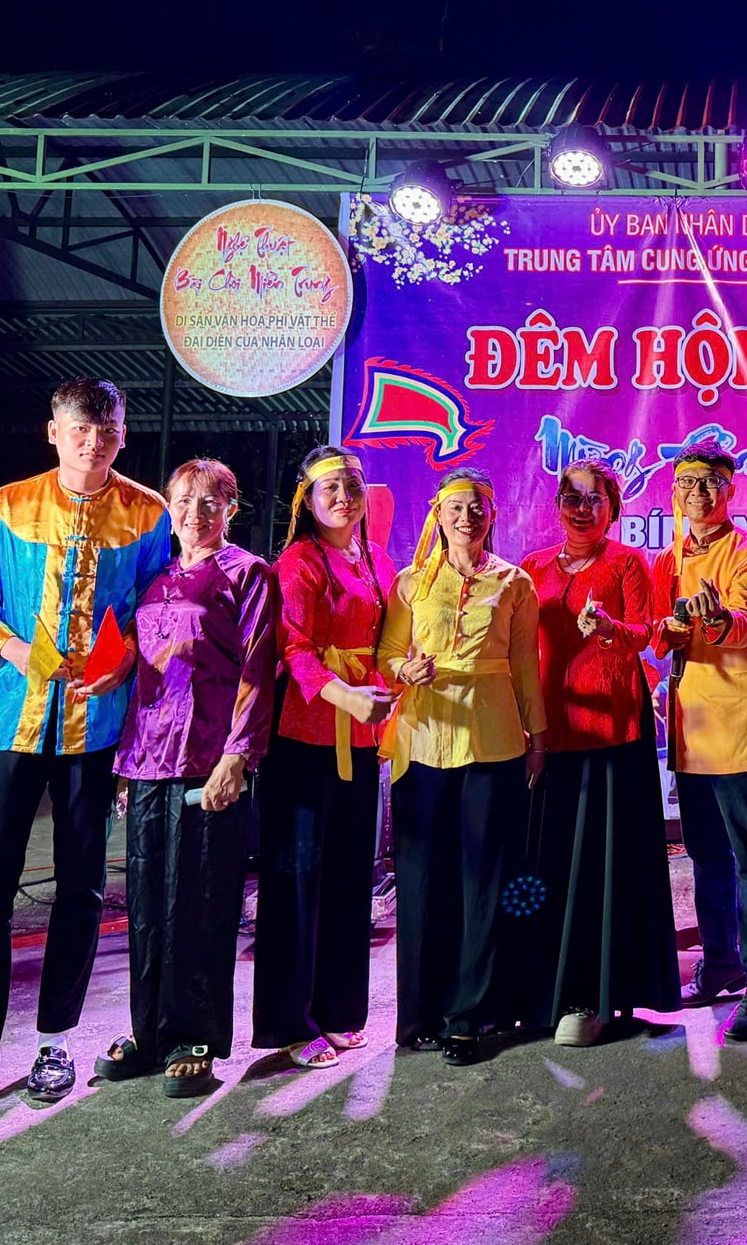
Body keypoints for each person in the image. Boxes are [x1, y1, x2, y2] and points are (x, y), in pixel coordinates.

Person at [0, 379, 171, 1118]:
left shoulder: (149, 513)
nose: (95, 441)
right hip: (14, 722)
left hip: (98, 728)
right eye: (80, 429)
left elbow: (156, 610)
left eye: (108, 429)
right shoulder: (9, 505)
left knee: (83, 887)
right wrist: (16, 650)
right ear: (54, 432)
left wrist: (129, 661)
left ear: (122, 434)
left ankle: (55, 1042)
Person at [96, 459, 276, 1096]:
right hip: (148, 757)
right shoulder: (157, 577)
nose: (195, 513)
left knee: (202, 902)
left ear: (231, 508)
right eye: (183, 501)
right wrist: (124, 762)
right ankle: (148, 1033)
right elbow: (143, 670)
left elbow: (258, 669)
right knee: (147, 904)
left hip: (208, 759)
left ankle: (195, 1035)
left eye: (209, 502)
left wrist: (238, 755)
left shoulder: (248, 574)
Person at [380, 467, 546, 1066]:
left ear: (491, 515)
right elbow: (387, 653)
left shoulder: (515, 583)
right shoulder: (411, 582)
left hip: (495, 742)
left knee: (485, 881)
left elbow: (525, 665)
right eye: (455, 507)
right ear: (438, 515)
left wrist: (538, 736)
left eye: (477, 507)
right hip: (423, 739)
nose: (466, 517)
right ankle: (420, 1013)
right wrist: (403, 671)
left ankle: (469, 1014)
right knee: (422, 880)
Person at [520, 461, 680, 1047]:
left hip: (612, 734)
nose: (582, 508)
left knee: (603, 869)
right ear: (556, 505)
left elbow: (646, 632)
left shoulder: (627, 562)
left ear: (613, 507)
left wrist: (611, 627)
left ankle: (598, 995)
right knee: (549, 867)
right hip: (549, 733)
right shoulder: (533, 567)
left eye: (594, 499)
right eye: (572, 497)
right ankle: (541, 993)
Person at [254, 446, 398, 1070]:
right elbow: (294, 648)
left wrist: (392, 683)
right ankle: (291, 1022)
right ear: (307, 502)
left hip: (360, 740)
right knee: (296, 884)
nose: (343, 497)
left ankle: (339, 1010)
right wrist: (348, 696)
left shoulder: (376, 560)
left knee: (348, 877)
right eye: (329, 488)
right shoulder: (298, 562)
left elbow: (387, 643)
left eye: (352, 486)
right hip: (304, 740)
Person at [650, 442, 747, 1043]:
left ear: (730, 490)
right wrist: (670, 629)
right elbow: (659, 634)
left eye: (710, 483)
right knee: (706, 855)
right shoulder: (668, 557)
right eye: (687, 483)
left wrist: (716, 620)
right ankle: (722, 961)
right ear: (674, 492)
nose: (698, 494)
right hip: (690, 726)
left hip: (736, 722)